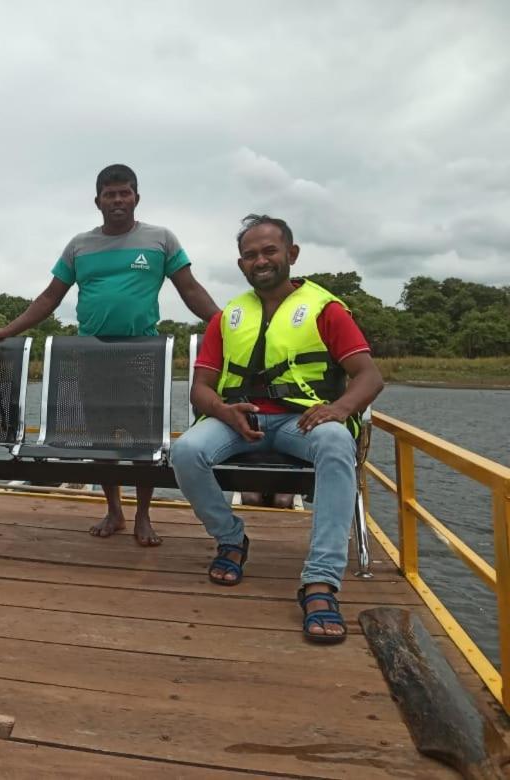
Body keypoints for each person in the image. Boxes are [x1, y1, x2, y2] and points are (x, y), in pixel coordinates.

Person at [169, 214, 384, 644]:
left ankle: (320, 582)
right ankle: (231, 539)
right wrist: (225, 411)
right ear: (241, 264)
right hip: (239, 420)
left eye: (269, 251)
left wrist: (338, 409)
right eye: (250, 255)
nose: (260, 260)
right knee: (186, 452)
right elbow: (200, 390)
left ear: (292, 254)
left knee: (337, 444)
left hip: (301, 421)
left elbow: (369, 377)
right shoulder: (227, 317)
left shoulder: (327, 310)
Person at [0, 164, 220, 546]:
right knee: (102, 441)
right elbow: (49, 297)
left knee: (143, 441)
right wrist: (8, 331)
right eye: (110, 194)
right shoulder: (80, 245)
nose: (117, 200)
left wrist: (226, 323)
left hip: (143, 355)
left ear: (136, 198)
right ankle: (114, 510)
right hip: (91, 356)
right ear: (97, 201)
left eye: (124, 193)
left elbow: (191, 290)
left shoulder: (161, 240)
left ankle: (144, 515)